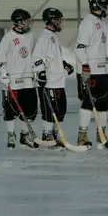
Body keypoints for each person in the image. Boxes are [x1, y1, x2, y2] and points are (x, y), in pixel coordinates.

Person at [75, 0, 108, 150]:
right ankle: (82, 136)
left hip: (102, 70)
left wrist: (107, 54)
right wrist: (85, 67)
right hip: (91, 71)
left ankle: (101, 135)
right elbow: (79, 49)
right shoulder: (87, 23)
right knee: (88, 104)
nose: (107, 8)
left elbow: (98, 45)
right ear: (97, 6)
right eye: (104, 5)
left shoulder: (102, 22)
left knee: (103, 104)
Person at [0, 9, 39, 150]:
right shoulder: (8, 38)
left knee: (29, 110)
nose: (29, 23)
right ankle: (11, 135)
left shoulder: (30, 36)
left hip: (28, 79)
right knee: (11, 110)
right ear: (19, 23)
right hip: (13, 80)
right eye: (26, 21)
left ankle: (24, 135)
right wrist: (3, 75)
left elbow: (35, 54)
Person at [32, 8, 75, 149]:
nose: (60, 22)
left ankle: (55, 134)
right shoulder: (44, 37)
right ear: (51, 20)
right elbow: (36, 58)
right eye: (58, 19)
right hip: (49, 82)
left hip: (58, 80)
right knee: (50, 111)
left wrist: (64, 64)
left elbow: (51, 57)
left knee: (60, 109)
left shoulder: (53, 36)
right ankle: (47, 134)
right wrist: (40, 73)